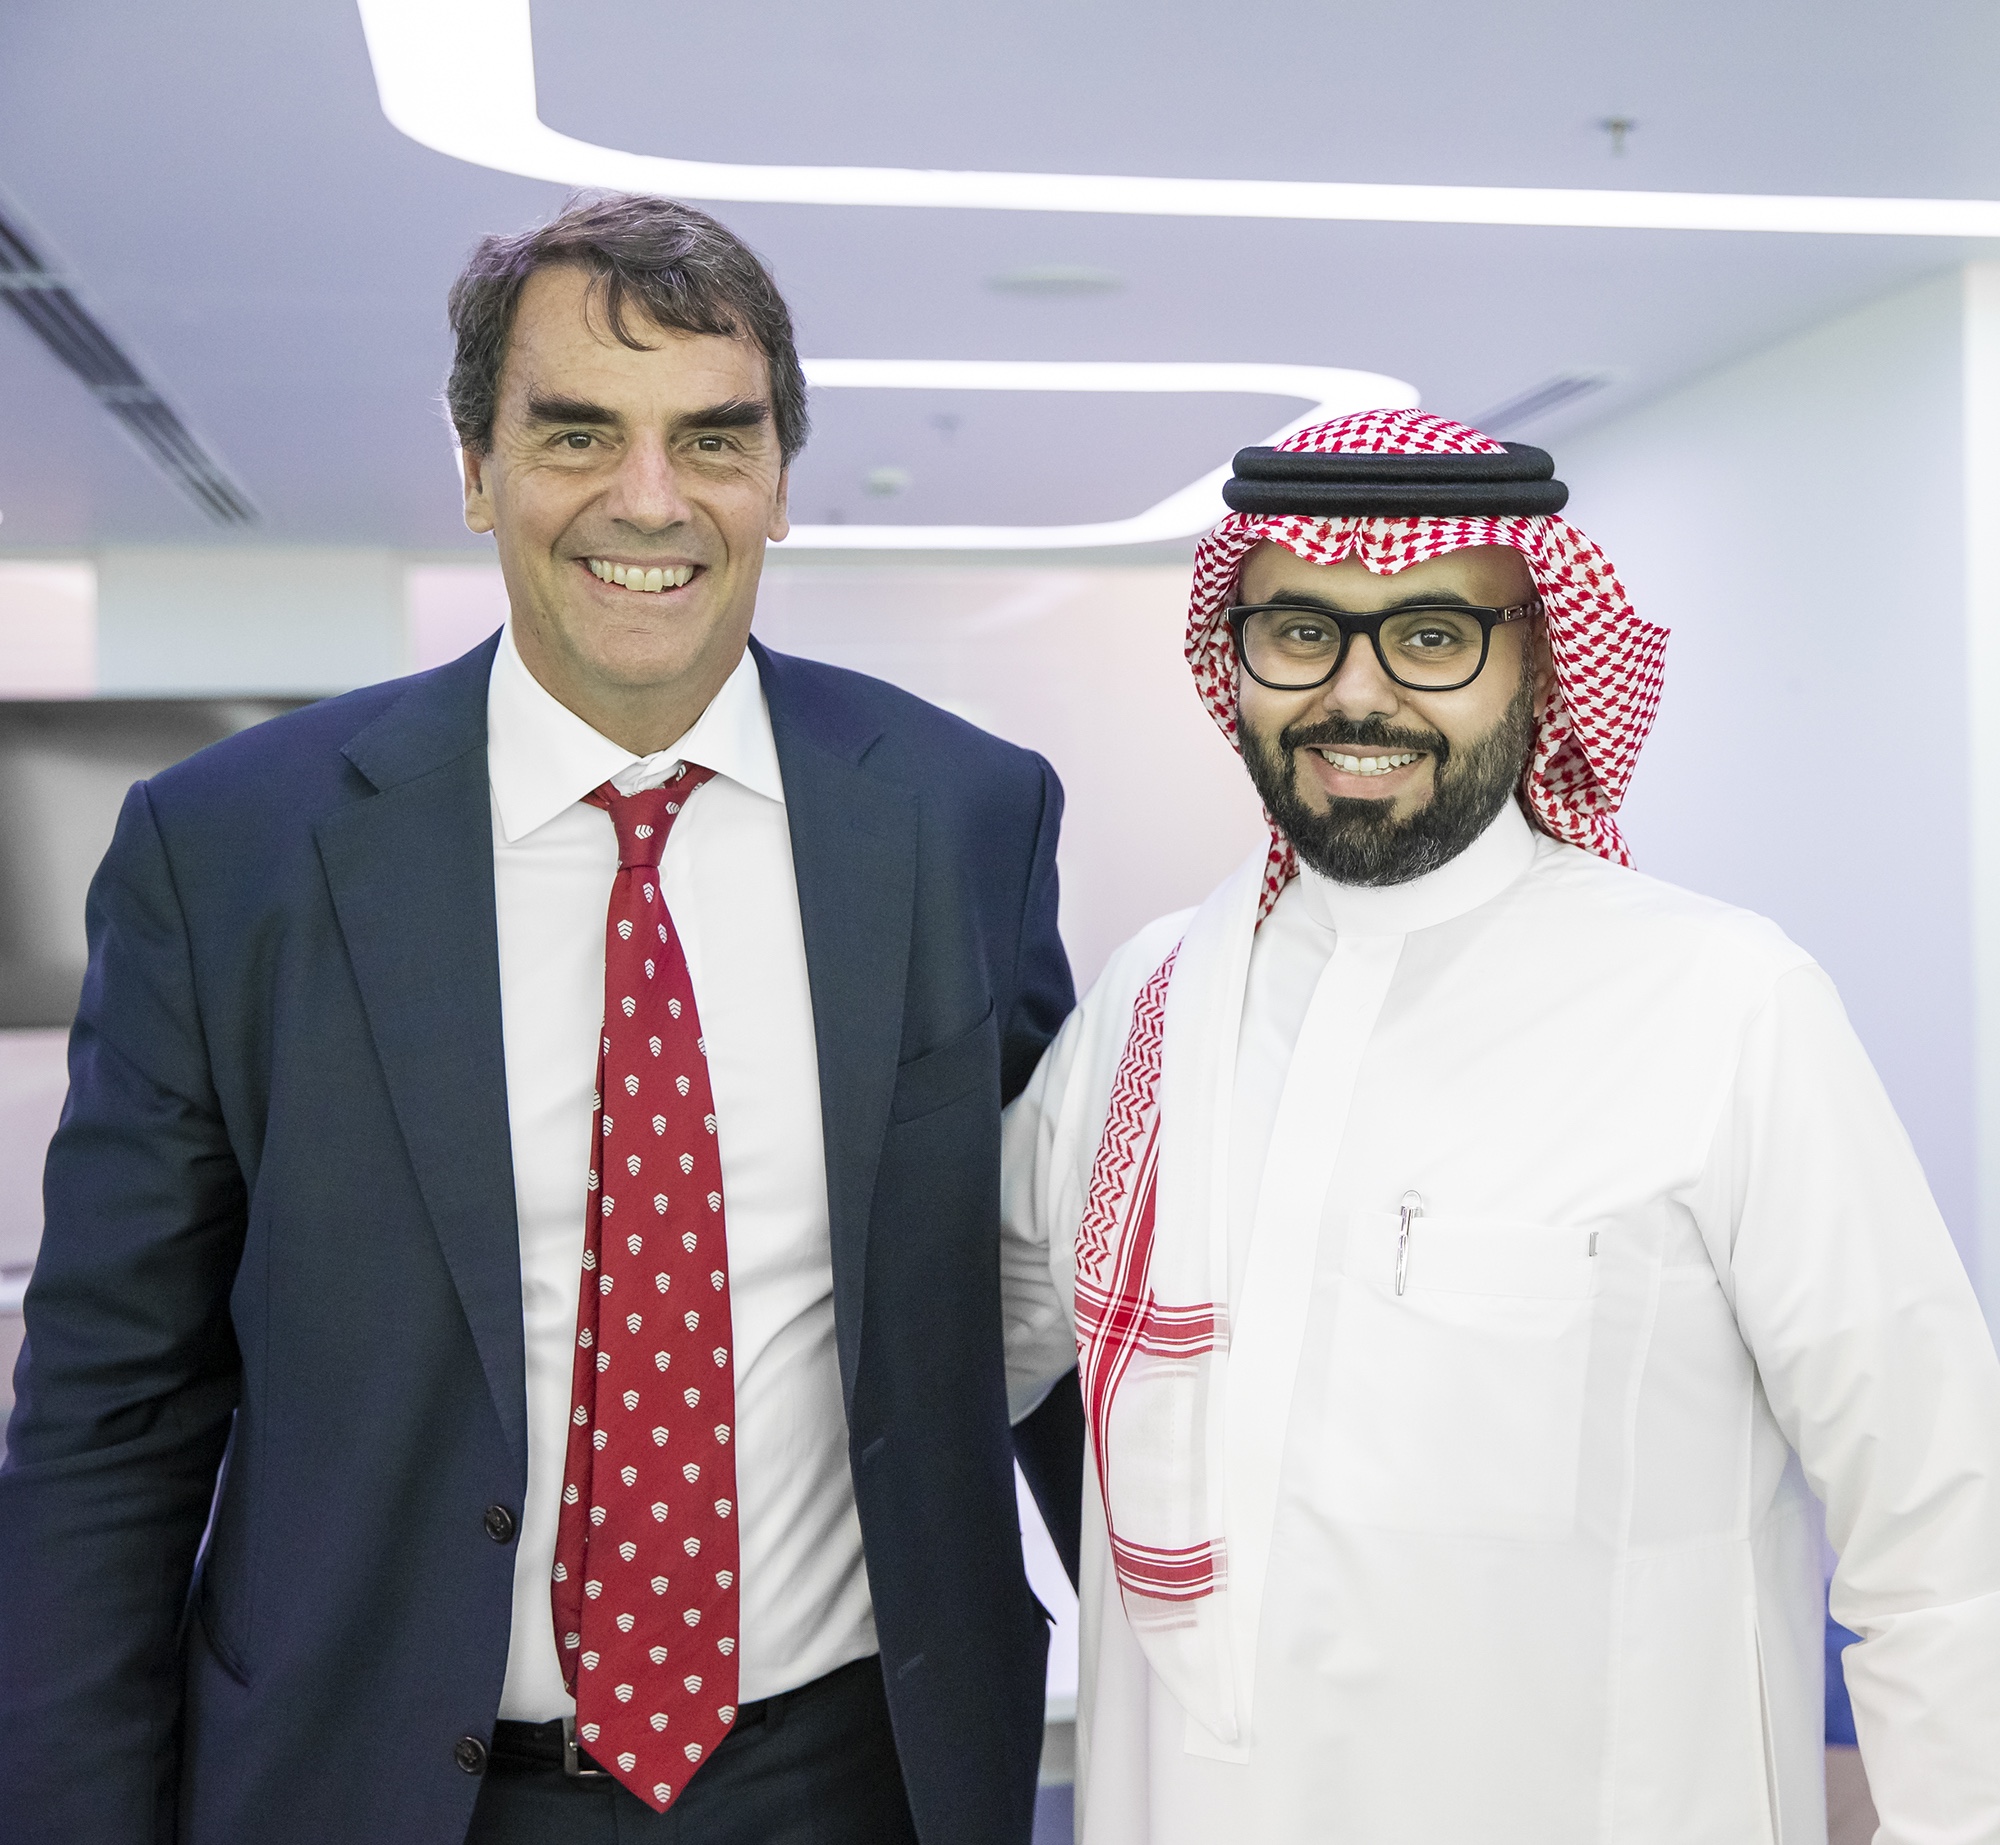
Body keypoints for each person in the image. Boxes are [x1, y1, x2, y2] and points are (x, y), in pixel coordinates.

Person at [0, 193, 1081, 1845]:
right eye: (577, 431)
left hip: (856, 1781)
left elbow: (1059, 1307)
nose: (650, 498)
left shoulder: (961, 816)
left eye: (714, 437)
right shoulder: (234, 851)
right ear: (474, 467)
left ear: (780, 477)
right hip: (379, 1788)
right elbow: (112, 1416)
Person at [999, 408, 2000, 1843]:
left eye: (1432, 636)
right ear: (1237, 654)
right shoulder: (1149, 1000)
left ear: (1537, 661)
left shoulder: (1721, 1001)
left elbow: (1941, 1522)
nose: (1356, 695)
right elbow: (958, 1349)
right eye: (1301, 632)